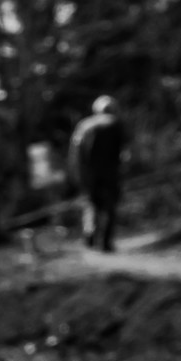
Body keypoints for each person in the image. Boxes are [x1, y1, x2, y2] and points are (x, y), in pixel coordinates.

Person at [68, 96, 126, 252]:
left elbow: (75, 152)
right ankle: (106, 242)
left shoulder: (84, 125)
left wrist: (76, 173)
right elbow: (122, 152)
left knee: (91, 203)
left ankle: (89, 236)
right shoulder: (115, 123)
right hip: (110, 173)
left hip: (88, 174)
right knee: (109, 206)